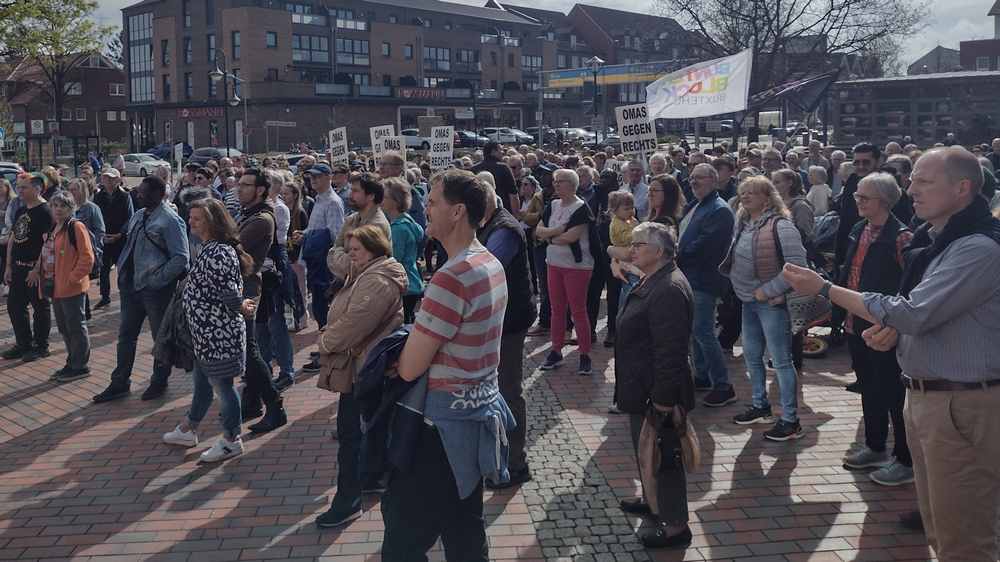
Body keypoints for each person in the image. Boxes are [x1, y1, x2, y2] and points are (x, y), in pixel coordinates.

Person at [783, 146, 1000, 562]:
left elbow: (915, 312)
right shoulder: (937, 240)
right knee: (940, 527)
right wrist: (897, 335)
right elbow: (936, 315)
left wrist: (826, 290)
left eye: (923, 181)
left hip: (961, 403)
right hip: (929, 397)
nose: (911, 188)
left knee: (965, 538)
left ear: (962, 188)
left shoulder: (977, 247)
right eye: (912, 179)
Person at [384, 169, 514, 562]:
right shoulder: (488, 260)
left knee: (404, 540)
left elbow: (409, 368)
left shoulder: (451, 277)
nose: (426, 206)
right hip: (476, 413)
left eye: (435, 202)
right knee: (463, 527)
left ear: (457, 212)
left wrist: (402, 348)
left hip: (439, 429)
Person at [314, 224, 407, 528]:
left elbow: (355, 323)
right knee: (367, 430)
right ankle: (369, 478)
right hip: (363, 365)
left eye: (356, 250)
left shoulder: (376, 281)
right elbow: (335, 257)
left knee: (351, 435)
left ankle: (348, 500)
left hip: (363, 367)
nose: (350, 256)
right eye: (350, 250)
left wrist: (325, 341)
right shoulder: (367, 270)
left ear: (374, 249)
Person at [614, 222, 695, 548]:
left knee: (666, 457)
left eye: (638, 245)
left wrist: (662, 401)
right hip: (641, 384)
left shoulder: (669, 289)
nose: (632, 250)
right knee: (647, 451)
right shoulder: (654, 277)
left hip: (657, 390)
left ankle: (675, 525)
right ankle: (653, 501)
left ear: (659, 251)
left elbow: (670, 351)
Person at [162, 198, 256, 463]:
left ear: (212, 221)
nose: (191, 222)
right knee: (202, 383)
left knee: (223, 387)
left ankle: (231, 439)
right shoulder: (209, 248)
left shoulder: (218, 252)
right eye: (190, 217)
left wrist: (241, 307)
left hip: (218, 334)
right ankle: (188, 428)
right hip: (205, 334)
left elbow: (228, 292)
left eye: (197, 218)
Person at [837, 172, 914, 485]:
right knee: (869, 387)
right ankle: (875, 446)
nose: (857, 201)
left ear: (883, 200)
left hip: (885, 329)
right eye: (857, 196)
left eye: (863, 197)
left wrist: (893, 323)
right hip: (857, 324)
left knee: (894, 394)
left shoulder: (901, 236)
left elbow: (909, 286)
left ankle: (905, 460)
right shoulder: (859, 228)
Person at [720, 177, 807, 441]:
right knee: (751, 355)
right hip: (748, 301)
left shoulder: (782, 226)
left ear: (767, 198)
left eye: (751, 193)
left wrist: (767, 291)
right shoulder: (743, 222)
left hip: (771, 304)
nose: (744, 196)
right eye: (742, 192)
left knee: (781, 361)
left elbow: (798, 268)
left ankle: (791, 421)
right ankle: (760, 406)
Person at [93, 176, 189, 403]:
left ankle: (159, 380)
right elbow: (128, 243)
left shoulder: (170, 220)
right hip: (131, 287)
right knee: (126, 336)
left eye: (143, 192)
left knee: (160, 339)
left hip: (155, 291)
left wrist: (157, 279)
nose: (138, 195)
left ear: (158, 194)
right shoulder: (138, 215)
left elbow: (181, 259)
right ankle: (119, 382)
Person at [477, 182, 536, 490]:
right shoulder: (488, 223)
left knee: (509, 390)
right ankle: (500, 456)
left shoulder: (505, 229)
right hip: (498, 318)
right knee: (496, 388)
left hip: (510, 320)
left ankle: (516, 463)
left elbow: (487, 268)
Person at [678, 163, 735, 407]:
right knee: (694, 331)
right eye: (691, 178)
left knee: (703, 332)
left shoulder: (719, 210)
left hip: (704, 279)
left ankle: (723, 385)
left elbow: (706, 245)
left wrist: (675, 256)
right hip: (690, 276)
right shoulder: (696, 204)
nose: (693, 182)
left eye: (699, 178)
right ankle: (702, 376)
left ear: (713, 180)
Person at [234, 168, 286, 434]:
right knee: (247, 350)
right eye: (239, 183)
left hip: (248, 289)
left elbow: (231, 245)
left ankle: (275, 405)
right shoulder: (247, 214)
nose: (239, 188)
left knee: (249, 350)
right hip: (242, 285)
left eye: (246, 185)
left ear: (261, 190)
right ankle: (252, 401)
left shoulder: (262, 219)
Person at [535, 168, 595, 375]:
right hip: (554, 263)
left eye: (560, 181)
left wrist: (549, 237)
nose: (556, 184)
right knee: (557, 309)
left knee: (578, 310)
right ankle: (556, 350)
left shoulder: (580, 207)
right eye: (555, 181)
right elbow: (538, 230)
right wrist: (555, 233)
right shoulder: (551, 205)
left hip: (576, 267)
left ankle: (585, 354)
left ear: (572, 184)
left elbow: (572, 237)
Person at [38, 191, 96, 382]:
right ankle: (72, 361)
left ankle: (80, 365)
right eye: (55, 206)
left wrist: (72, 278)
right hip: (55, 287)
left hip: (71, 288)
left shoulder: (76, 227)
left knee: (76, 327)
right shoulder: (55, 227)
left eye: (63, 206)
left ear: (71, 208)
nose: (58, 209)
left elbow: (87, 257)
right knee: (64, 327)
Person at [294, 163, 345, 373]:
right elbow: (317, 228)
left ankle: (327, 352)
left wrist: (313, 239)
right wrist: (305, 234)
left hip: (324, 262)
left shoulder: (332, 202)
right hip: (315, 260)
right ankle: (324, 347)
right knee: (319, 307)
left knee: (323, 308)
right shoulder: (319, 200)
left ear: (328, 177)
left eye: (317, 177)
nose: (313, 181)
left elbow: (336, 234)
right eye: (311, 178)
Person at [3, 174, 54, 362]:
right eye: (18, 186)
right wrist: (8, 265)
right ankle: (23, 343)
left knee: (40, 307)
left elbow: (47, 244)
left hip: (35, 269)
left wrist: (36, 269)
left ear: (37, 188)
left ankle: (41, 346)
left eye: (23, 187)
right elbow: (13, 239)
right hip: (18, 268)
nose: (19, 191)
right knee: (15, 306)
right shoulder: (20, 210)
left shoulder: (45, 212)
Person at [382, 177, 424, 324]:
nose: (381, 199)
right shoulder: (410, 221)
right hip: (413, 281)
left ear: (396, 201)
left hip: (404, 286)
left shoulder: (397, 229)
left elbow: (395, 261)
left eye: (385, 196)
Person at [93, 168, 134, 309]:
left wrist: (121, 234)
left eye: (112, 178)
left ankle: (125, 296)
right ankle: (105, 296)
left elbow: (130, 217)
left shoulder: (125, 196)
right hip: (104, 238)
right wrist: (101, 235)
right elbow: (95, 217)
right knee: (103, 269)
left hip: (119, 238)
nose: (109, 181)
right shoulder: (98, 197)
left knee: (122, 268)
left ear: (118, 180)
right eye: (106, 178)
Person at [471, 141, 518, 210]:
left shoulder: (473, 169)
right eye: (500, 149)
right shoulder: (503, 168)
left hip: (479, 212)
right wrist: (516, 215)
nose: (502, 152)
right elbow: (513, 194)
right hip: (501, 211)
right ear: (493, 151)